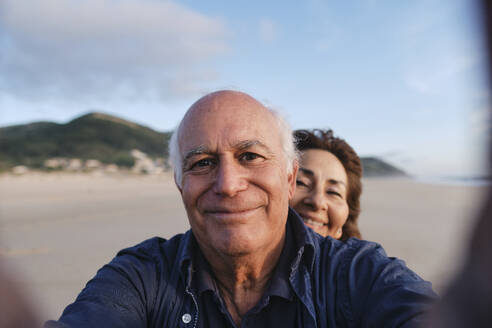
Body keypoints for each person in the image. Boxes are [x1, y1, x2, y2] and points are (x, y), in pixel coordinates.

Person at [46, 90, 437, 327]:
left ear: (287, 177)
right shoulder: (141, 276)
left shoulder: (355, 273)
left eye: (250, 156)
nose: (228, 185)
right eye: (202, 163)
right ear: (181, 185)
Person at [290, 129, 362, 240]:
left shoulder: (363, 257)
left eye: (333, 192)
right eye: (301, 183)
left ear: (343, 224)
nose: (317, 202)